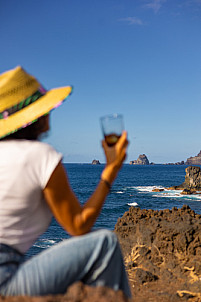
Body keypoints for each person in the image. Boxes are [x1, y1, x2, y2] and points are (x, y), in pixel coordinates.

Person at [0, 66, 131, 297]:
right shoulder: (39, 155)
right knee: (105, 243)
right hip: (5, 278)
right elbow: (78, 226)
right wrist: (111, 170)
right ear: (35, 115)